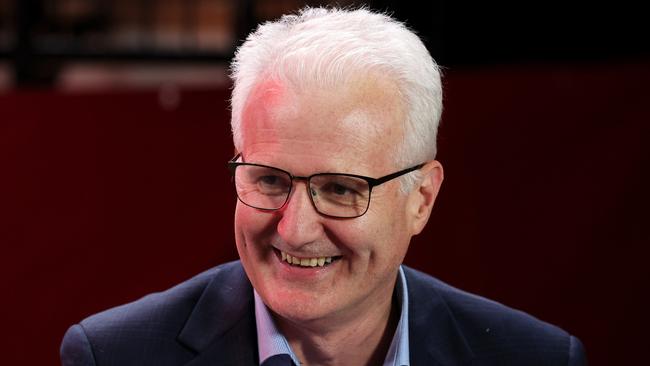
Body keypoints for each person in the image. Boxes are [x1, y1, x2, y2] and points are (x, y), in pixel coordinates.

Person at [60, 7, 587, 366]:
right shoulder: (115, 355)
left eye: (340, 189)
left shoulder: (532, 357)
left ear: (421, 199)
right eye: (269, 179)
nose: (294, 228)